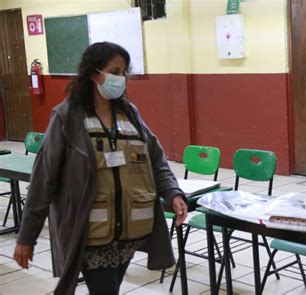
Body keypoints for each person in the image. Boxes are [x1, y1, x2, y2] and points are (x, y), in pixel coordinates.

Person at [13, 42, 188, 295]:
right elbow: (43, 180)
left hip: (129, 232)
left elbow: (156, 160)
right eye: (115, 72)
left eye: (124, 72)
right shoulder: (68, 117)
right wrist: (27, 237)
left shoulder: (130, 115)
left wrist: (173, 193)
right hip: (91, 234)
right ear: (94, 74)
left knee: (109, 289)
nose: (121, 78)